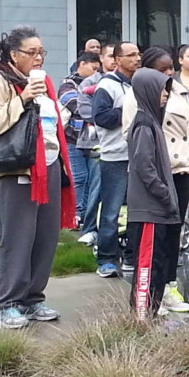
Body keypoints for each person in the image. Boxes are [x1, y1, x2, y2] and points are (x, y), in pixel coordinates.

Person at [0, 27, 75, 329]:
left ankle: (33, 299)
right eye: (31, 52)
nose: (38, 57)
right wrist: (22, 98)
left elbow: (52, 121)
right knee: (17, 238)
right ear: (14, 55)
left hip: (48, 166)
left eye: (41, 52)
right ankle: (8, 304)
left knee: (45, 237)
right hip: (16, 169)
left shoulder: (43, 80)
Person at [121, 47, 189, 313]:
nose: (168, 83)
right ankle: (144, 308)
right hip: (154, 195)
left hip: (175, 177)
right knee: (149, 254)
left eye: (170, 72)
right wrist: (165, 193)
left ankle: (159, 295)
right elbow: (143, 163)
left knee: (167, 244)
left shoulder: (173, 98)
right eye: (162, 74)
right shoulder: (143, 118)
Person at [124, 68, 179, 319]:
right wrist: (165, 195)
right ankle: (142, 316)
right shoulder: (144, 123)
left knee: (158, 263)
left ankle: (150, 312)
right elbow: (144, 167)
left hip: (157, 209)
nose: (165, 95)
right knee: (147, 264)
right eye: (161, 90)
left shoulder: (152, 121)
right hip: (150, 209)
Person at [92, 41, 141, 278]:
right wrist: (129, 111)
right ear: (118, 60)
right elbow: (100, 117)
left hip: (139, 156)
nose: (136, 58)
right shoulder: (107, 85)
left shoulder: (141, 83)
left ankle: (132, 256)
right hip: (115, 156)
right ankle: (106, 259)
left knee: (137, 210)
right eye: (130, 55)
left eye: (138, 54)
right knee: (111, 211)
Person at [74, 44, 116, 245]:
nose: (114, 59)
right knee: (96, 186)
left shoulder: (129, 83)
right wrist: (113, 116)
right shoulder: (89, 83)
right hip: (96, 142)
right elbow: (86, 111)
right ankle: (90, 228)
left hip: (124, 143)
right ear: (101, 59)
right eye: (110, 56)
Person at [59, 51, 100, 228]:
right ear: (82, 64)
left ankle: (86, 216)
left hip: (93, 139)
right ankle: (75, 214)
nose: (96, 73)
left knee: (93, 179)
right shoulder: (68, 83)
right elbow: (73, 104)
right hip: (72, 138)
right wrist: (91, 105)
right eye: (93, 68)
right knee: (79, 177)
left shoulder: (101, 82)